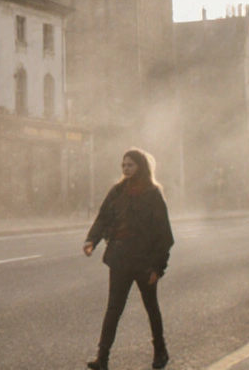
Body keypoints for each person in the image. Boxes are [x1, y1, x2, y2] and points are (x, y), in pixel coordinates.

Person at [83, 149, 174, 370]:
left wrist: (158, 267)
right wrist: (91, 240)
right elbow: (104, 216)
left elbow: (164, 234)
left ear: (140, 166)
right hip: (120, 259)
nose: (125, 169)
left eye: (130, 165)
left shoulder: (153, 193)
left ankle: (160, 352)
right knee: (113, 309)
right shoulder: (117, 191)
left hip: (145, 261)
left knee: (151, 307)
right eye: (123, 165)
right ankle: (102, 358)